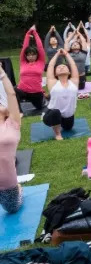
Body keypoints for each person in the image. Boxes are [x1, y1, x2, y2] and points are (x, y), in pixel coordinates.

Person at [0, 68, 24, 214]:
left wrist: (2, 74)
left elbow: (11, 94)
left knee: (13, 209)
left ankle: (19, 189)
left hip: (6, 184)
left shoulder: (13, 124)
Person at [42, 48, 79, 140]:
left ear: (69, 72)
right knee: (56, 112)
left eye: (64, 67)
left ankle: (60, 124)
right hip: (52, 114)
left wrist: (66, 54)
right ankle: (57, 134)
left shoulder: (73, 82)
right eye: (59, 67)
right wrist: (57, 54)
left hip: (68, 116)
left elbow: (73, 65)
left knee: (68, 128)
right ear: (55, 73)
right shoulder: (53, 82)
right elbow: (50, 66)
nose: (61, 67)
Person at [16, 27, 46, 112]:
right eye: (28, 55)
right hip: (22, 91)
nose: (31, 56)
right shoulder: (23, 62)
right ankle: (19, 111)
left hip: (36, 93)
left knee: (39, 108)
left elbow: (40, 48)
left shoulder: (40, 62)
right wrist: (28, 34)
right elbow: (24, 48)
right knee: (13, 91)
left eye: (33, 55)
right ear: (26, 56)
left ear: (37, 55)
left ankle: (43, 97)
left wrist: (35, 33)